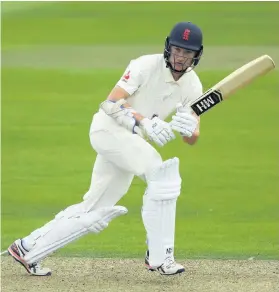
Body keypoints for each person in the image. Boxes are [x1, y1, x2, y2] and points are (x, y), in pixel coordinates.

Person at [7, 21, 204, 276]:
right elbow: (111, 102)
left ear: (196, 55)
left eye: (187, 53)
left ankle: (27, 248)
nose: (180, 57)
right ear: (168, 48)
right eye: (177, 50)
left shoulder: (193, 86)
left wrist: (191, 129)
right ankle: (159, 256)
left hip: (129, 143)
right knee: (162, 173)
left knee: (95, 207)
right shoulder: (144, 65)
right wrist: (143, 121)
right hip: (108, 130)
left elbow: (193, 136)